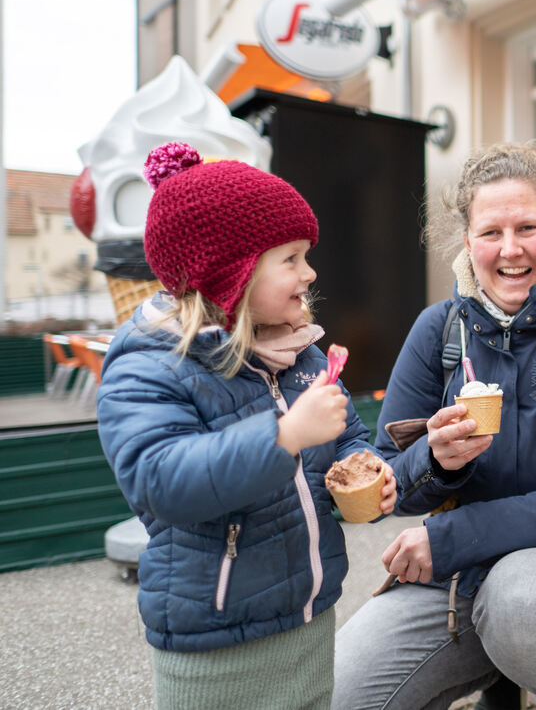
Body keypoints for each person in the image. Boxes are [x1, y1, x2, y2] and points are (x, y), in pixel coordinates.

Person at [333, 142, 536, 710]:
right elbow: (389, 480)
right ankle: (500, 678)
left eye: (527, 227)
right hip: (465, 575)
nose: (510, 249)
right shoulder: (438, 332)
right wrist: (436, 462)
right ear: (468, 241)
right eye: (490, 232)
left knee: (519, 603)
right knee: (344, 695)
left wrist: (450, 536)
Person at [97, 141, 396, 709]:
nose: (309, 273)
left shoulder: (299, 351)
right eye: (291, 259)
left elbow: (345, 437)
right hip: (216, 642)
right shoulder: (151, 364)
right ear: (229, 272)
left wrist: (365, 468)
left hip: (307, 617)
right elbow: (160, 481)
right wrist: (284, 436)